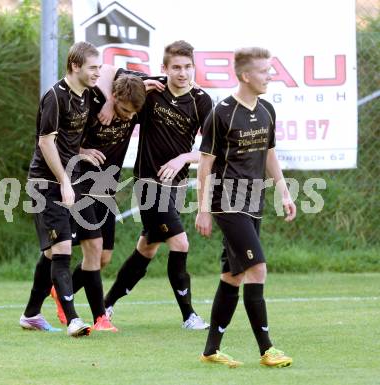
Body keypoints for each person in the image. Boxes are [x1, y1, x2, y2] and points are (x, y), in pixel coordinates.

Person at [195, 47, 296, 367]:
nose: (270, 75)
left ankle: (211, 351)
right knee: (257, 268)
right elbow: (204, 165)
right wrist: (202, 209)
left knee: (232, 275)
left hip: (254, 202)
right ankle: (267, 349)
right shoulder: (222, 113)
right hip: (227, 203)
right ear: (245, 75)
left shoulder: (266, 110)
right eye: (265, 71)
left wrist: (284, 191)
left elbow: (268, 154)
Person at [102, 40, 212, 330]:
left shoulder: (202, 101)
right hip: (149, 183)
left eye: (188, 67)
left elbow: (210, 152)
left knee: (146, 249)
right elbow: (107, 71)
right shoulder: (151, 89)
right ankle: (189, 316)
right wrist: (110, 99)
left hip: (175, 186)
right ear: (164, 68)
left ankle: (103, 306)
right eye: (176, 67)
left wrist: (181, 159)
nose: (182, 73)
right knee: (180, 242)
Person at [50, 74, 152, 331]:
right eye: (124, 110)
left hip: (107, 190)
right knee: (86, 248)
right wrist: (83, 151)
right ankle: (93, 314)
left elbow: (173, 79)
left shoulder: (133, 106)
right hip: (81, 185)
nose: (129, 118)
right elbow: (61, 141)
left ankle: (63, 289)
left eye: (133, 113)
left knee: (104, 257)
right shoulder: (94, 108)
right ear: (114, 97)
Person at [19, 41, 101, 337]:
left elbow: (68, 138)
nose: (97, 73)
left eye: (99, 67)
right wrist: (65, 182)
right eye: (93, 67)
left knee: (54, 253)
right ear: (75, 66)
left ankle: (30, 315)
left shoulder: (86, 95)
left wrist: (84, 149)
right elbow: (45, 142)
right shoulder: (55, 96)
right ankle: (74, 320)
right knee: (63, 248)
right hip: (46, 184)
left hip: (67, 180)